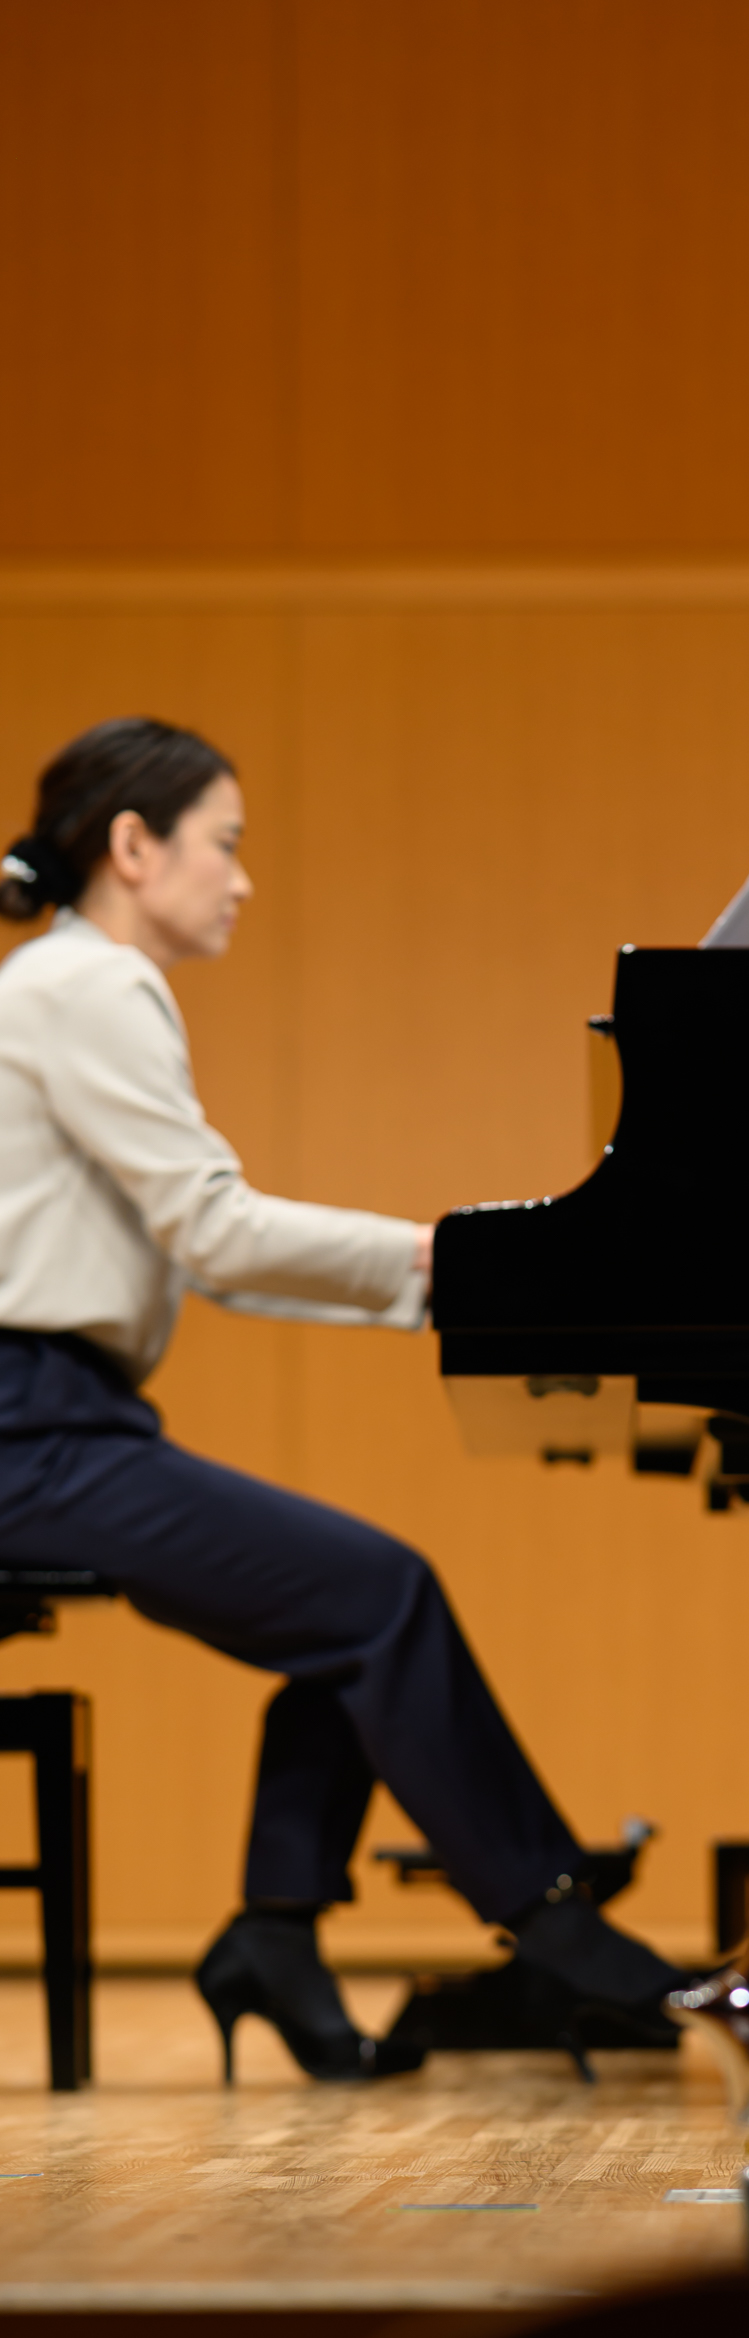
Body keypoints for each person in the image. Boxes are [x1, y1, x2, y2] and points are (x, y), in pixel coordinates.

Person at [0, 717, 687, 2081]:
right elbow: (214, 1229)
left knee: (349, 1612)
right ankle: (546, 1926)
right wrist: (454, 1258)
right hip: (30, 1429)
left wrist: (442, 1287)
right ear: (134, 849)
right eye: (226, 846)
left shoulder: (65, 984)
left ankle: (274, 1936)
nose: (243, 879)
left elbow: (212, 1256)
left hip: (57, 1416)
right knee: (378, 1596)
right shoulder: (90, 987)